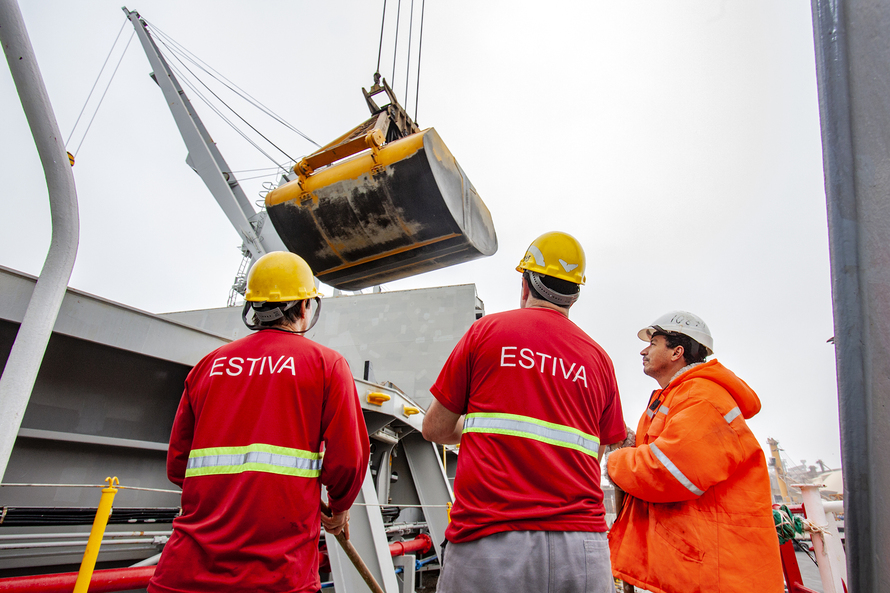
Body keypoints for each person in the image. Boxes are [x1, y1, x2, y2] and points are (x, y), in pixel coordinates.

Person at [149, 252, 370, 593]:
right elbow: (348, 461)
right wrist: (339, 508)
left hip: (184, 574)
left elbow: (179, 465)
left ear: (253, 308)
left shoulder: (208, 365)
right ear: (304, 306)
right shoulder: (326, 364)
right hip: (277, 575)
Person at [423, 231, 626, 593]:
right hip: (582, 549)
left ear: (524, 283)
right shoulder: (599, 361)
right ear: (574, 295)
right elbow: (595, 453)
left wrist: (477, 429)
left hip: (491, 542)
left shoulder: (486, 333)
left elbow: (434, 428)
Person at [607, 311, 783, 593]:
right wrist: (631, 444)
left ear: (677, 351)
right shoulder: (677, 397)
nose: (644, 349)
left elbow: (668, 472)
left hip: (716, 576)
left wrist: (616, 460)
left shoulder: (702, 398)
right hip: (691, 569)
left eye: (653, 343)